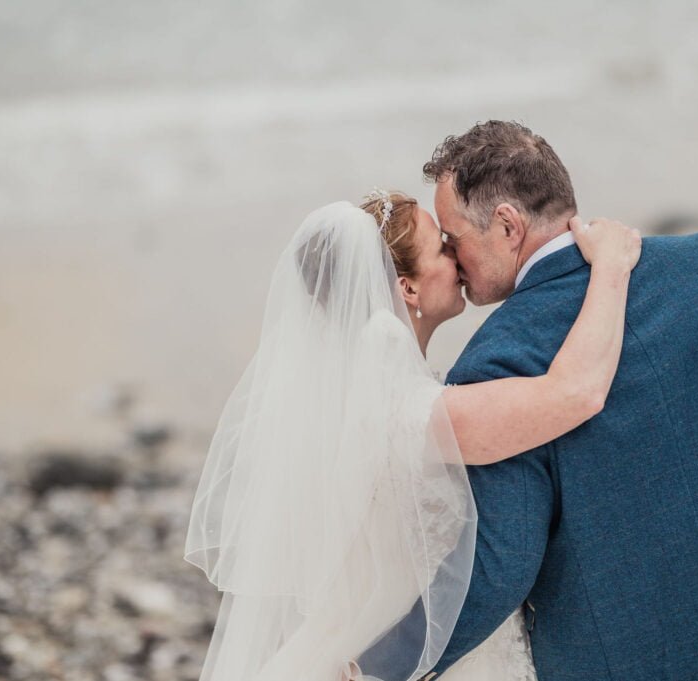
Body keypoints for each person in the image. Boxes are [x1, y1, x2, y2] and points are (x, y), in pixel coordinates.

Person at [358, 121, 698, 681]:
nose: (452, 255)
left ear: (506, 225)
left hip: (625, 651)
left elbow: (505, 564)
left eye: (454, 238)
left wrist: (377, 668)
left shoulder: (495, 361)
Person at [185, 188, 641, 681]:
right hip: (389, 659)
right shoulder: (393, 399)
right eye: (443, 247)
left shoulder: (357, 386)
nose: (458, 253)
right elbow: (574, 394)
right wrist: (610, 269)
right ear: (407, 287)